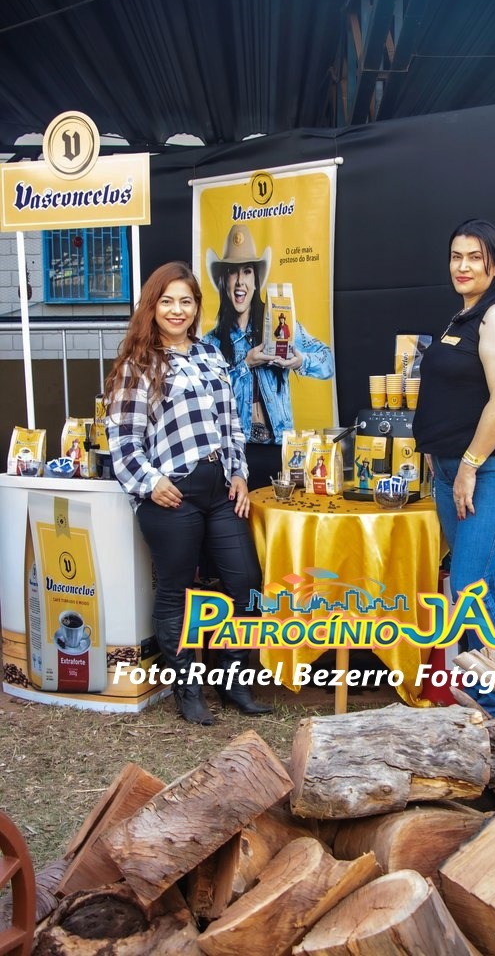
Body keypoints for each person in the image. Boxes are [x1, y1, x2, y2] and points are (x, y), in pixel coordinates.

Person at [105, 261, 272, 725]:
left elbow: (231, 424)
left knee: (246, 584)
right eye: (167, 301)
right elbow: (122, 442)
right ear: (152, 306)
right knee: (176, 592)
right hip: (170, 493)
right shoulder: (138, 365)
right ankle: (188, 690)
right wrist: (150, 482)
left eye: (186, 301)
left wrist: (239, 474)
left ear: (197, 307)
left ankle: (233, 681)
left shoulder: (210, 354)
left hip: (220, 489)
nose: (177, 310)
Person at [413, 219, 495, 713]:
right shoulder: (462, 317)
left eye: (475, 258)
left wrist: (468, 465)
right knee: (474, 587)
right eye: (456, 256)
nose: (462, 267)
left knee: (467, 587)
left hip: (490, 469)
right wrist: (439, 458)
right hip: (451, 470)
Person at [204, 224, 334, 444]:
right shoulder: (211, 343)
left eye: (247, 271)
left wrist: (300, 362)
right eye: (232, 272)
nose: (240, 281)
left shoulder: (279, 326)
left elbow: (328, 362)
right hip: (235, 451)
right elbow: (207, 400)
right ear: (224, 282)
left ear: (256, 282)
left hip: (278, 446)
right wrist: (245, 365)